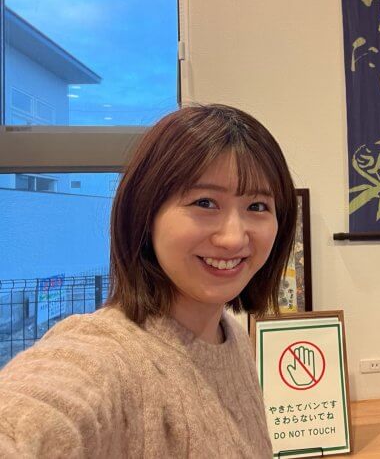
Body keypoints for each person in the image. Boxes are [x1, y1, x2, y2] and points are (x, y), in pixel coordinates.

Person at [0, 104, 296, 457]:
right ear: (145, 213)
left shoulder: (232, 338)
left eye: (257, 206)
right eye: (205, 202)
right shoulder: (108, 356)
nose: (233, 238)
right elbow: (31, 415)